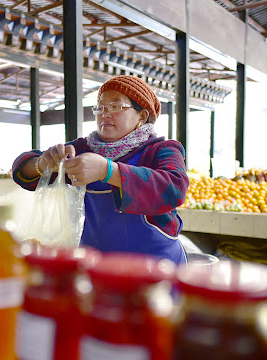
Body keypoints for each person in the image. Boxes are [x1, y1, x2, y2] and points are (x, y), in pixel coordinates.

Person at [12, 75, 189, 264]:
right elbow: (21, 170)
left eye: (115, 107)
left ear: (142, 116)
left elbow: (174, 188)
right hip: (97, 268)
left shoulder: (161, 149)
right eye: (100, 107)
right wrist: (42, 164)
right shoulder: (81, 149)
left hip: (156, 268)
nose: (105, 114)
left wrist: (108, 171)